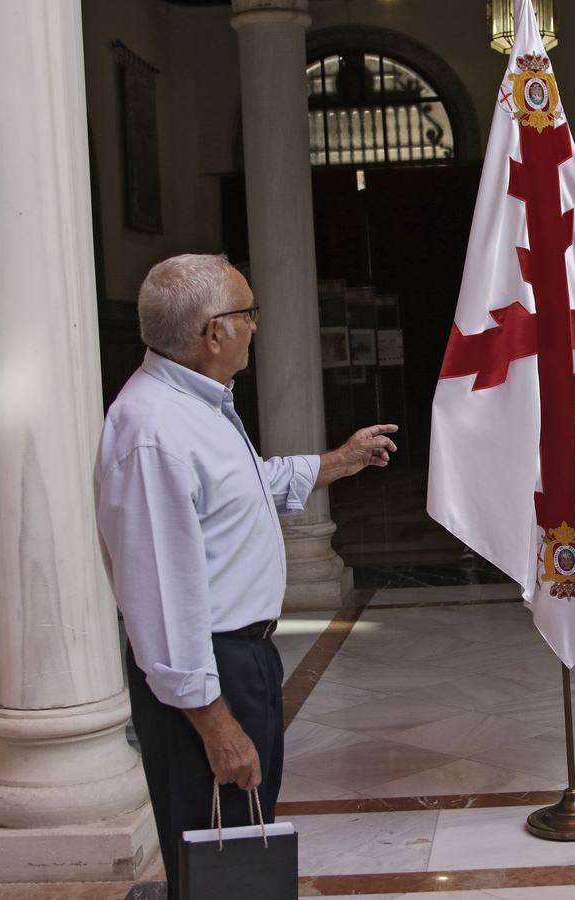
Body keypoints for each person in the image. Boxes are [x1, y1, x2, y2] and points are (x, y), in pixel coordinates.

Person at [94, 254, 397, 898]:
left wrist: (338, 461)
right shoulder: (153, 430)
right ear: (214, 333)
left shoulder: (199, 404)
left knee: (239, 835)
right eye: (248, 313)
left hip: (240, 662)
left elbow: (245, 489)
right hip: (205, 674)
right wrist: (215, 724)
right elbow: (161, 600)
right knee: (218, 848)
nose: (257, 326)